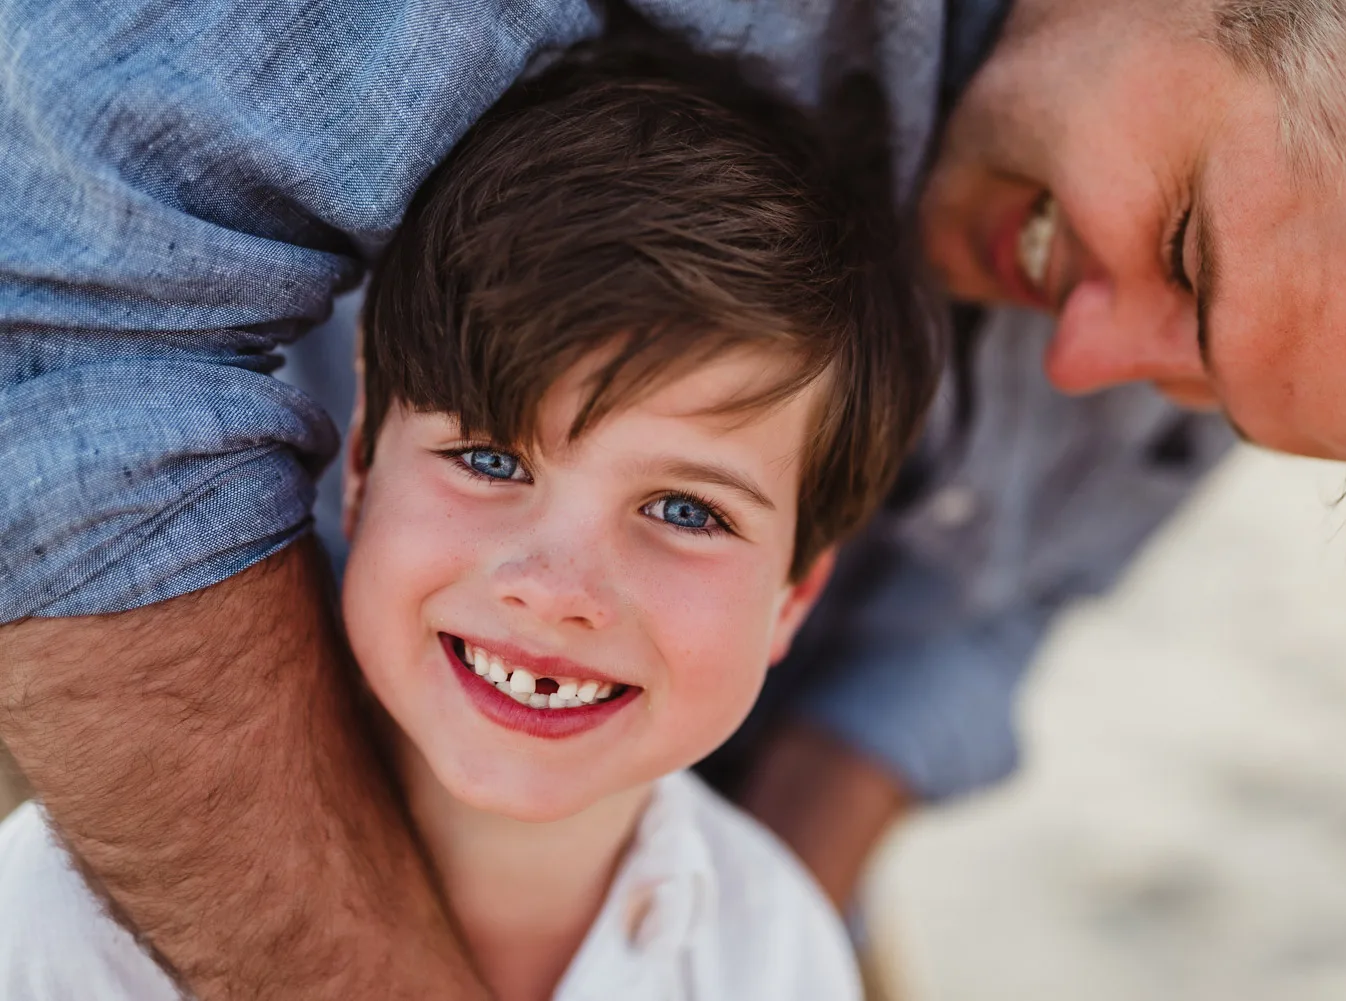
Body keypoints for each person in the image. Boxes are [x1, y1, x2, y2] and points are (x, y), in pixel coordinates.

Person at [1, 0, 1346, 997]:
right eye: (1182, 244)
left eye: (1211, 393)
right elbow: (63, 343)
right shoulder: (49, 926)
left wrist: (772, 907)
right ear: (366, 453)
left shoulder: (764, 936)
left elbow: (998, 609)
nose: (1090, 360)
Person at [0, 34, 936, 999]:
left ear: (794, 595)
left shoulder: (780, 952)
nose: (554, 587)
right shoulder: (60, 925)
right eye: (490, 459)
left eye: (683, 509)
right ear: (361, 463)